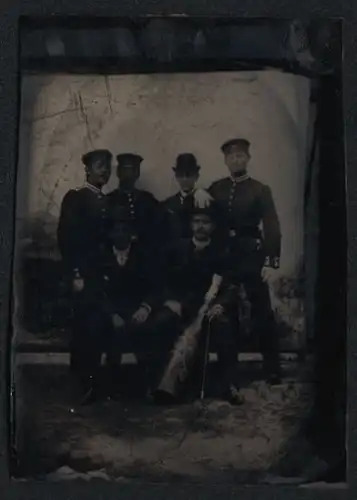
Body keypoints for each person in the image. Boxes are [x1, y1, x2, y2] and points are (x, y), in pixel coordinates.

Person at [141, 199, 243, 405]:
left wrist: (220, 304)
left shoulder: (221, 252)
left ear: (213, 226)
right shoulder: (177, 249)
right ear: (190, 224)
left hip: (207, 307)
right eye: (196, 221)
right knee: (158, 323)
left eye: (205, 222)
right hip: (180, 306)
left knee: (222, 324)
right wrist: (171, 301)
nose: (200, 226)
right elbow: (164, 280)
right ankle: (155, 383)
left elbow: (231, 286)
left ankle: (229, 385)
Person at [208, 138, 282, 384]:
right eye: (232, 157)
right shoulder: (216, 188)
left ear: (248, 159)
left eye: (241, 156)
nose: (236, 160)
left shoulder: (260, 190)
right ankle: (230, 370)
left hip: (251, 256)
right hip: (224, 256)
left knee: (261, 310)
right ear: (225, 160)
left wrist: (271, 261)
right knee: (225, 308)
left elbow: (271, 226)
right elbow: (204, 215)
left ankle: (272, 367)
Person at [71, 209, 163, 405]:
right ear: (110, 234)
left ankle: (148, 386)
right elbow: (95, 290)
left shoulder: (145, 255)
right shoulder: (99, 256)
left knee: (153, 329)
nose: (120, 234)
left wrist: (145, 308)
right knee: (93, 327)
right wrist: (111, 314)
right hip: (107, 310)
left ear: (133, 233)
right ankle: (93, 386)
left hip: (135, 309)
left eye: (125, 230)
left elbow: (156, 286)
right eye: (116, 230)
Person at [57, 149, 112, 373]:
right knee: (82, 325)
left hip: (103, 273)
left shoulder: (107, 200)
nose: (105, 170)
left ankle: (94, 378)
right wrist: (76, 273)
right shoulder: (76, 197)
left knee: (98, 325)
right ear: (88, 169)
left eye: (108, 166)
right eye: (100, 165)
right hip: (84, 274)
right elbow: (67, 238)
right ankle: (80, 378)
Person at [106, 153, 163, 249]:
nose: (129, 173)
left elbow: (157, 229)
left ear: (138, 173)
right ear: (118, 172)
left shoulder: (147, 200)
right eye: (125, 169)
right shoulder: (109, 200)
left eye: (133, 169)